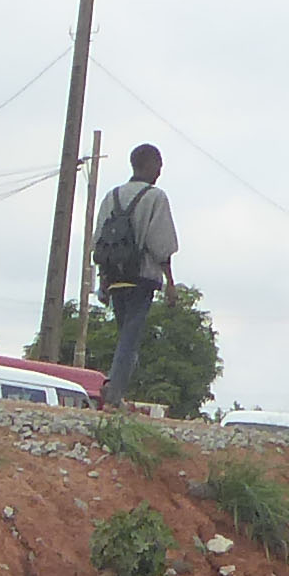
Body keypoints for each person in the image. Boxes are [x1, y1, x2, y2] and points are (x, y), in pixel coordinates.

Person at [91, 142, 180, 403]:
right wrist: (170, 283)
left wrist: (103, 280)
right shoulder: (156, 197)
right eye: (159, 165)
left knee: (125, 334)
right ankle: (114, 390)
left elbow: (99, 239)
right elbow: (161, 244)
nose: (160, 171)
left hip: (114, 276)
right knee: (131, 333)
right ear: (149, 164)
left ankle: (118, 388)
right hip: (141, 276)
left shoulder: (112, 196)